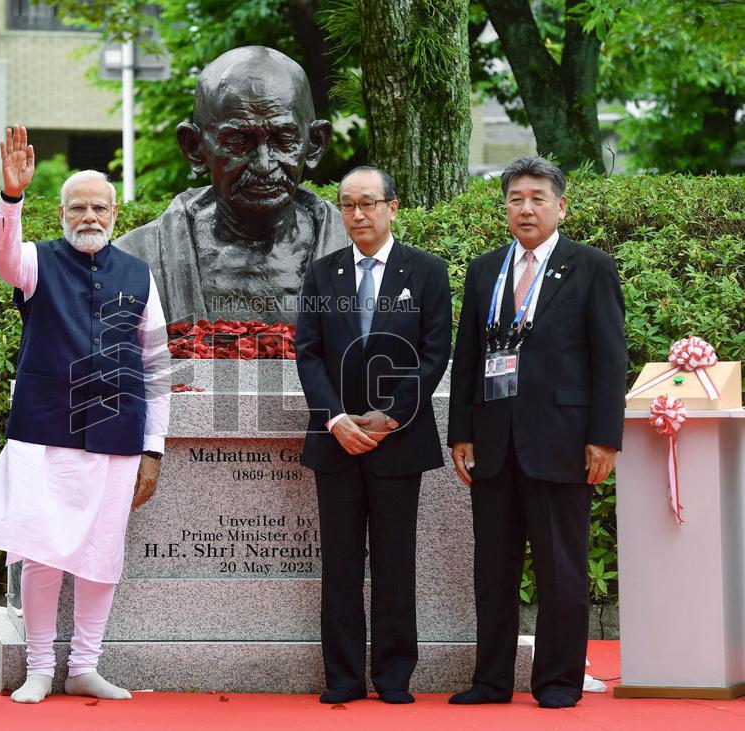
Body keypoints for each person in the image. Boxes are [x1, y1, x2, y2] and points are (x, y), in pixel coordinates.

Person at [0, 125, 171, 704]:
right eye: (77, 206)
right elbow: (0, 255)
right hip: (45, 430)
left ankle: (84, 666)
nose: (89, 216)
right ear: (61, 212)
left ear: (115, 211)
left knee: (101, 555)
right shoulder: (33, 261)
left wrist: (154, 448)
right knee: (42, 552)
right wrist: (10, 198)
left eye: (98, 207)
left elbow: (156, 367)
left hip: (119, 435)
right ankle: (38, 669)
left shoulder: (139, 274)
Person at [448, 156, 626, 709]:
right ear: (505, 207)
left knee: (562, 573)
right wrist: (462, 432)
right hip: (495, 445)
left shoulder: (590, 266)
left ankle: (556, 682)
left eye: (537, 198)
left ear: (560, 205)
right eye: (515, 198)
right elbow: (469, 357)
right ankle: (491, 681)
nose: (525, 208)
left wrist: (604, 437)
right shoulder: (484, 271)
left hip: (564, 442)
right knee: (493, 572)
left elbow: (609, 358)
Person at [295, 166, 452, 705]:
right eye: (347, 205)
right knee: (339, 563)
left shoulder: (427, 272)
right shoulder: (321, 274)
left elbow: (434, 354)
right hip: (335, 440)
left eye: (368, 204)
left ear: (393, 206)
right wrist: (336, 418)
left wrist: (389, 416)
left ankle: (392, 677)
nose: (357, 215)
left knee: (395, 561)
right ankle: (342, 676)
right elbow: (309, 353)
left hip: (398, 442)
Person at [115, 45, 348, 323]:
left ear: (314, 144)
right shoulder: (134, 260)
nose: (264, 165)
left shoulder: (360, 253)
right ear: (194, 148)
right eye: (239, 142)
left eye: (283, 140)